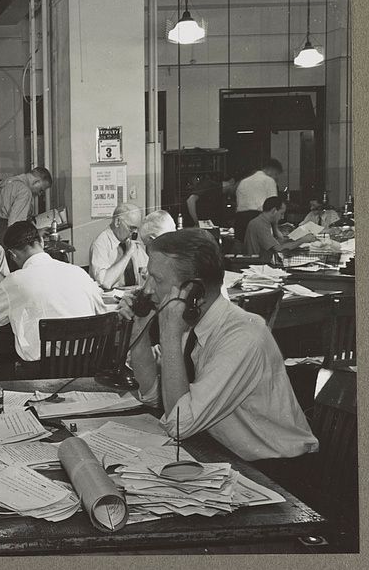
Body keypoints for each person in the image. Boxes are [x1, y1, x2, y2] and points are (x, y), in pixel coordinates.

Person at [120, 229, 318, 461]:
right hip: (223, 453)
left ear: (194, 292)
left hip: (279, 470)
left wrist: (169, 335)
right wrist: (139, 331)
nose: (147, 289)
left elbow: (178, 424)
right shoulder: (189, 323)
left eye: (158, 280)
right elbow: (155, 398)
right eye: (148, 277)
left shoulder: (242, 336)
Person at [0, 222, 107, 362]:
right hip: (87, 368)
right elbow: (103, 312)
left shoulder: (15, 281)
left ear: (12, 255)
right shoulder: (79, 273)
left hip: (40, 377)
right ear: (42, 242)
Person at [89, 203, 147, 289]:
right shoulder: (100, 244)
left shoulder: (129, 241)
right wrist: (127, 254)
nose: (134, 233)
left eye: (137, 229)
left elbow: (145, 268)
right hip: (109, 299)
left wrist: (147, 272)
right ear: (117, 222)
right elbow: (105, 283)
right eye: (131, 228)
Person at [244, 197, 317, 261]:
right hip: (260, 263)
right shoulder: (260, 224)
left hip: (266, 259)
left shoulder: (265, 222)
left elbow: (278, 241)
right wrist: (303, 240)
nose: (282, 217)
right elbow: (279, 249)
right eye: (281, 213)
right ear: (274, 211)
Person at [0, 166, 53, 239]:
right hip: (8, 236)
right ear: (36, 182)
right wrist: (37, 234)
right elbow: (16, 227)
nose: (39, 194)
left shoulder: (3, 182)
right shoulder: (24, 191)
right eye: (41, 190)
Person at [234, 159, 283, 242]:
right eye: (276, 174)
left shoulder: (243, 181)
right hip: (258, 219)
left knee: (244, 252)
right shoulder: (269, 181)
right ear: (271, 170)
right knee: (261, 252)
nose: (276, 178)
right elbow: (273, 208)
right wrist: (276, 231)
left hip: (240, 221)